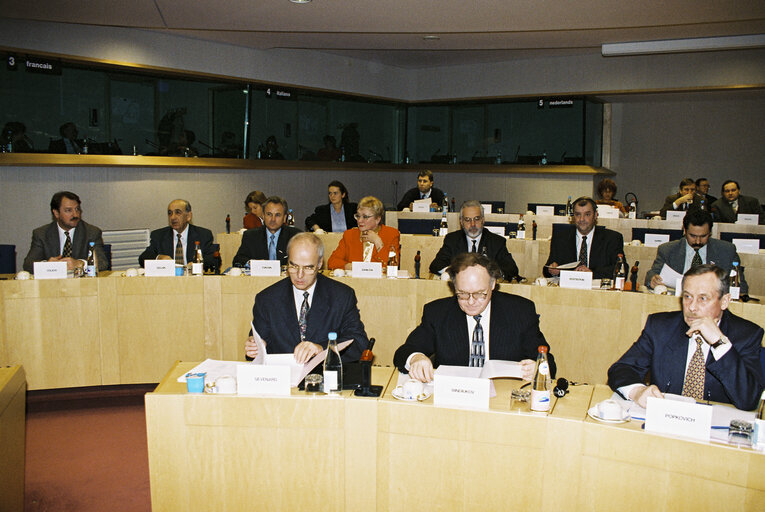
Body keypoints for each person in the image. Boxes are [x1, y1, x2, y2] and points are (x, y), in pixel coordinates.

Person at [608, 264, 764, 411]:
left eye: (703, 298)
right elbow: (621, 368)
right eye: (687, 296)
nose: (692, 307)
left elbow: (749, 399)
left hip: (715, 430)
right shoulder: (660, 327)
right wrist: (637, 391)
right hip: (666, 422)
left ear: (724, 301)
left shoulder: (747, 334)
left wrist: (719, 343)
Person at [394, 253, 555, 383]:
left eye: (479, 293)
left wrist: (538, 368)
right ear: (454, 287)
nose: (471, 301)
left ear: (492, 284)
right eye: (462, 294)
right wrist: (416, 358)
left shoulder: (520, 311)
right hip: (454, 397)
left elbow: (549, 363)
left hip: (503, 398)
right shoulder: (438, 313)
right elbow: (403, 352)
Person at [244, 233, 369, 363]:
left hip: (325, 376)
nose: (299, 275)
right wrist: (256, 347)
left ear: (320, 263)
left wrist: (322, 349)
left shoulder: (341, 296)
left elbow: (359, 343)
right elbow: (259, 342)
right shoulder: (267, 299)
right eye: (293, 266)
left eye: (308, 268)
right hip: (283, 376)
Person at [645, 209, 749, 293]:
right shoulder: (667, 249)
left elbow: (742, 287)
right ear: (684, 231)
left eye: (703, 236)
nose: (698, 241)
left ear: (710, 232)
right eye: (693, 236)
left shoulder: (727, 250)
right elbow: (652, 274)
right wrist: (652, 279)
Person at [429, 200, 518, 280]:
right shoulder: (452, 239)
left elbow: (511, 269)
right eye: (467, 220)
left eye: (477, 219)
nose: (472, 224)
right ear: (461, 222)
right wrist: (455, 272)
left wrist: (489, 274)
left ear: (483, 220)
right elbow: (436, 265)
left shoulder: (496, 242)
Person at [23, 191, 108, 273]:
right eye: (68, 210)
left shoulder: (91, 232)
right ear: (56, 213)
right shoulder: (41, 234)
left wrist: (80, 263)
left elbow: (102, 263)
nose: (75, 214)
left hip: (81, 284)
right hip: (52, 284)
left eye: (77, 209)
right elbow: (28, 265)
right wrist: (47, 265)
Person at [543, 196, 624, 279]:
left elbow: (621, 268)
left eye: (587, 214)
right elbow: (546, 270)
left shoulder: (612, 238)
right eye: (578, 214)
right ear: (573, 216)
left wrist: (591, 273)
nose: (582, 219)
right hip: (569, 288)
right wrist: (552, 270)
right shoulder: (560, 238)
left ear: (595, 215)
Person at [327, 196, 400, 270]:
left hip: (380, 281)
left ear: (377, 219)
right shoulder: (349, 235)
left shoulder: (391, 234)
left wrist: (377, 241)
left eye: (365, 217)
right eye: (358, 216)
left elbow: (392, 266)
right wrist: (351, 267)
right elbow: (332, 262)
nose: (359, 220)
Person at [138, 199, 215, 268]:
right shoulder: (159, 235)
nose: (173, 217)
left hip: (193, 280)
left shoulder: (203, 235)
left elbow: (213, 259)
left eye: (178, 212)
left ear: (188, 216)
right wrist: (159, 258)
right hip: (168, 281)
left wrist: (197, 265)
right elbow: (143, 258)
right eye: (170, 213)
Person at [233, 196, 301, 267]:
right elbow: (238, 260)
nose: (273, 219)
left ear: (284, 218)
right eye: (269, 214)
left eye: (277, 215)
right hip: (259, 278)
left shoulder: (295, 236)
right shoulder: (250, 236)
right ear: (263, 216)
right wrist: (252, 263)